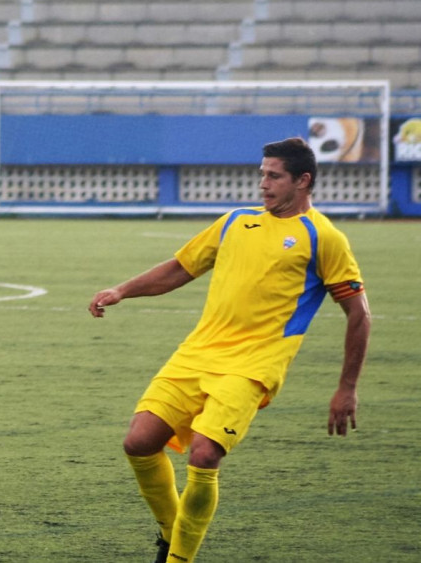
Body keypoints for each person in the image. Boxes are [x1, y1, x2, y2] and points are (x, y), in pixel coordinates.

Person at [88, 137, 370, 563]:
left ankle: (179, 559)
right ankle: (172, 531)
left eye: (274, 176)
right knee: (139, 441)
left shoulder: (322, 236)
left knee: (204, 452)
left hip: (254, 365)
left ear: (303, 181)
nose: (263, 184)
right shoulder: (236, 221)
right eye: (262, 175)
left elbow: (359, 313)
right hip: (198, 353)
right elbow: (181, 268)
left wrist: (347, 387)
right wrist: (122, 290)